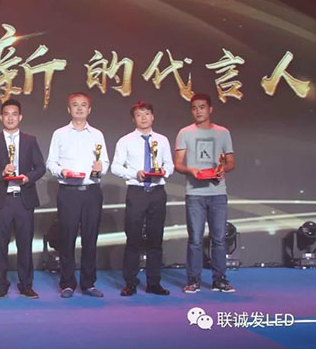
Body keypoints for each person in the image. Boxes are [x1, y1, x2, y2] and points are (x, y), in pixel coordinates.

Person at [0, 99, 45, 299]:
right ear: (1, 117)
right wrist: (2, 172)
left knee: (25, 244)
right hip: (1, 200)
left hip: (24, 199)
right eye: (6, 114)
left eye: (14, 114)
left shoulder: (30, 140)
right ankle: (1, 285)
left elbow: (40, 167)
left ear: (20, 117)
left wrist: (27, 177)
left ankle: (26, 285)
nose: (10, 117)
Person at [46, 92, 109, 298]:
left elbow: (105, 162)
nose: (79, 108)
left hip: (91, 192)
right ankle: (67, 283)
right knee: (67, 239)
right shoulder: (60, 134)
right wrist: (61, 171)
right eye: (75, 105)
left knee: (90, 239)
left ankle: (88, 283)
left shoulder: (97, 135)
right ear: (69, 109)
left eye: (83, 105)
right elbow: (51, 162)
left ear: (89, 109)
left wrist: (101, 168)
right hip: (69, 192)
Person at [174, 93, 236, 294]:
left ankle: (220, 280)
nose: (198, 111)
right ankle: (194, 280)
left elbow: (231, 162)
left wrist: (223, 169)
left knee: (219, 239)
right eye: (194, 108)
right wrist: (190, 170)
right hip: (195, 193)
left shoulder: (223, 133)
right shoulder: (185, 133)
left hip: (218, 193)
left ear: (210, 109)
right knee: (195, 239)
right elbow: (178, 164)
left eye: (202, 107)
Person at [111, 101, 174, 297]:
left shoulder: (162, 140)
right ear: (133, 119)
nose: (143, 118)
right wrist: (134, 173)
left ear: (152, 116)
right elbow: (115, 167)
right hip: (136, 192)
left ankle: (154, 282)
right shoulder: (125, 141)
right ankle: (130, 283)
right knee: (133, 239)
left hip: (157, 191)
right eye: (139, 115)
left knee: (156, 239)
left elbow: (170, 164)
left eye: (147, 114)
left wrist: (163, 171)